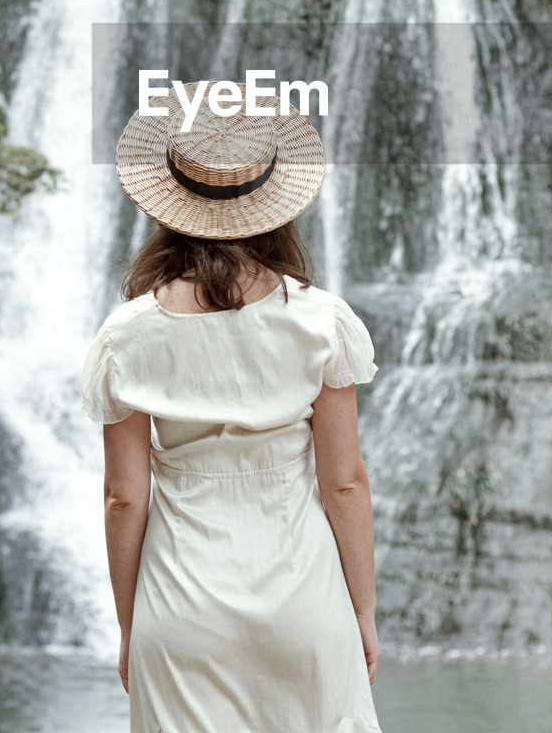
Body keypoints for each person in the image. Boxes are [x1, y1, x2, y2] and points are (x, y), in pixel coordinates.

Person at [81, 80, 384, 733]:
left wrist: (134, 625)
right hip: (304, 597)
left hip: (181, 604)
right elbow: (343, 482)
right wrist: (361, 611)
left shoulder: (125, 335)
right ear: (276, 203)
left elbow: (125, 497)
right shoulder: (321, 320)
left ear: (166, 203)